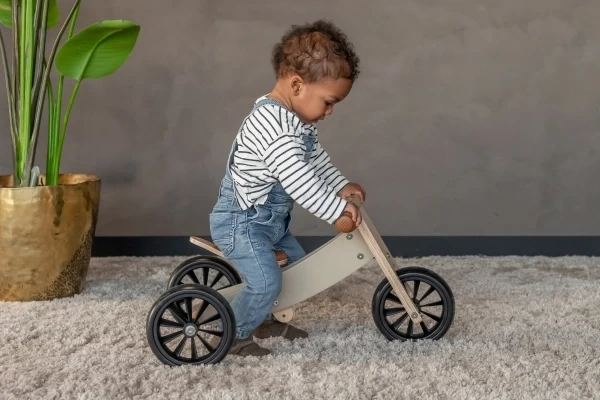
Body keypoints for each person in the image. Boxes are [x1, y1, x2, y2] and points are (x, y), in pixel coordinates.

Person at [209, 19, 366, 357]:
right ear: (297, 85)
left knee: (297, 267)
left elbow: (315, 160)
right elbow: (298, 179)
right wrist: (335, 210)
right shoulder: (274, 126)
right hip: (242, 222)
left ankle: (263, 319)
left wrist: (340, 185)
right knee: (267, 280)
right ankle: (232, 334)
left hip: (269, 223)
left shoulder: (297, 123)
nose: (330, 111)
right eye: (328, 101)